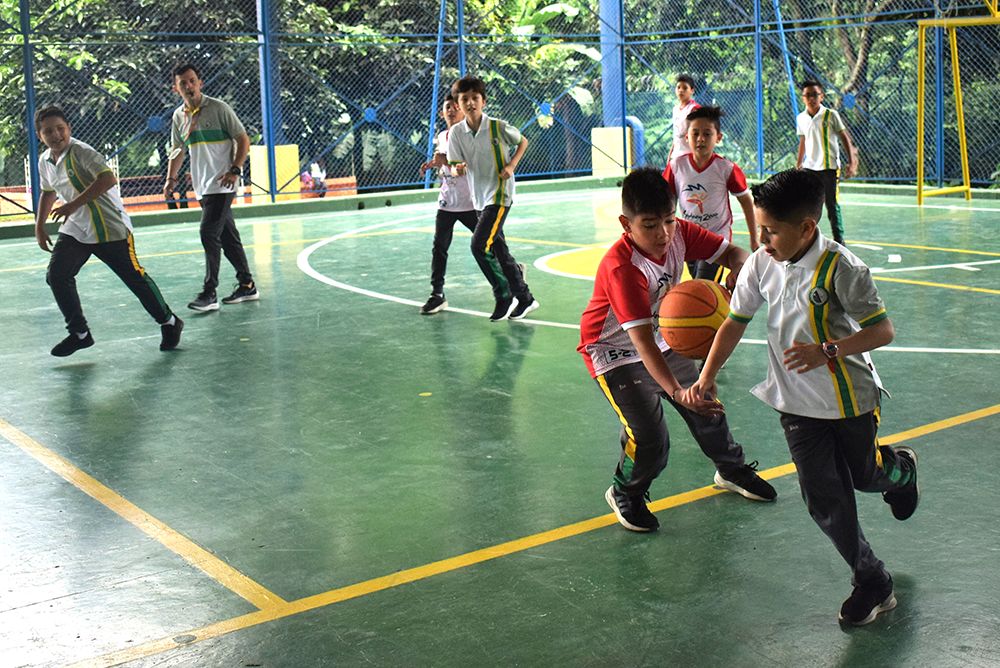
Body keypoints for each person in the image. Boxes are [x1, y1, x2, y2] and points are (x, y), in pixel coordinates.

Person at [686, 169, 918, 626]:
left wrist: (827, 350)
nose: (763, 239)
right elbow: (735, 321)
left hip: (850, 398)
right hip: (794, 403)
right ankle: (871, 579)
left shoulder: (843, 268)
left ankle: (901, 471)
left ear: (807, 228)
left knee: (866, 477)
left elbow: (882, 331)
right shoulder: (759, 263)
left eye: (771, 231)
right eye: (760, 230)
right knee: (823, 495)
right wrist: (707, 375)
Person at [578, 166, 776, 534]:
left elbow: (735, 252)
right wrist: (676, 392)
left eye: (669, 221)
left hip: (662, 336)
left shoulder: (680, 233)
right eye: (650, 225)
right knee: (651, 437)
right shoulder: (623, 268)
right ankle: (626, 491)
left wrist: (739, 267)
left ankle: (730, 470)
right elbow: (641, 345)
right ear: (627, 224)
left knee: (706, 403)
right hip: (613, 352)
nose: (663, 233)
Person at [33, 105, 183, 356]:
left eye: (60, 128)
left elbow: (107, 179)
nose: (56, 135)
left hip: (109, 226)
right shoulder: (45, 160)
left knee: (135, 278)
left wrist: (71, 205)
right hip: (77, 228)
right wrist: (39, 226)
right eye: (49, 131)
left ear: (69, 128)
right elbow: (48, 191)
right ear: (40, 135)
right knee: (57, 275)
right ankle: (79, 333)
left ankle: (169, 321)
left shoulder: (82, 152)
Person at [164, 63, 258, 312]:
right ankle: (247, 285)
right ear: (176, 88)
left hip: (223, 183)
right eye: (183, 83)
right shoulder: (179, 116)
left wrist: (235, 169)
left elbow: (242, 138)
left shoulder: (218, 108)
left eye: (192, 80)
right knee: (228, 237)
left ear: (200, 83)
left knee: (208, 234)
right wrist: (170, 180)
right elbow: (178, 150)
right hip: (202, 185)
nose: (188, 86)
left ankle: (209, 292)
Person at [446, 75, 538, 321]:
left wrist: (511, 166)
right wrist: (458, 169)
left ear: (483, 101)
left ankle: (503, 294)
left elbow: (523, 142)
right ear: (458, 104)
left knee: (478, 246)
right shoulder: (456, 134)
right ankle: (526, 298)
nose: (470, 103)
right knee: (499, 251)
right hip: (479, 198)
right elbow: (454, 165)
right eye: (464, 99)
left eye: (475, 98)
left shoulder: (497, 126)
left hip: (499, 193)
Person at [663, 106, 758, 282]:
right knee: (700, 290)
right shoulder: (676, 167)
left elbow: (746, 200)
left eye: (707, 134)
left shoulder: (726, 169)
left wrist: (754, 237)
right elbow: (665, 202)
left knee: (703, 286)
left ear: (718, 138)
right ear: (686, 137)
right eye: (695, 133)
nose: (700, 139)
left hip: (717, 238)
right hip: (689, 238)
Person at [418, 93, 478, 315]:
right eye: (447, 107)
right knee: (439, 247)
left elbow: (465, 168)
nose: (451, 110)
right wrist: (433, 164)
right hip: (447, 202)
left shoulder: (468, 134)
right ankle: (437, 294)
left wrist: (448, 163)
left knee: (489, 244)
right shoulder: (443, 135)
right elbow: (446, 167)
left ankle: (514, 272)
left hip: (470, 202)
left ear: (462, 110)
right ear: (442, 112)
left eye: (455, 106)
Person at [795, 80, 858, 245]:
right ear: (803, 98)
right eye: (807, 95)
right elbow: (803, 141)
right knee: (806, 204)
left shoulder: (831, 115)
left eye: (815, 94)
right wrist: (798, 163)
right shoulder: (801, 118)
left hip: (828, 167)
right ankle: (806, 238)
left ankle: (839, 239)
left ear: (821, 96)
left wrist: (851, 162)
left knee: (831, 204)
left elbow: (844, 138)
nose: (811, 98)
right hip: (809, 168)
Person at [668, 74, 701, 162]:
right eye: (678, 87)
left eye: (685, 88)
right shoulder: (675, 109)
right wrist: (671, 154)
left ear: (692, 91)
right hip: (676, 156)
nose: (681, 90)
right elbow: (676, 135)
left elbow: (699, 134)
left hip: (690, 156)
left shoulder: (694, 109)